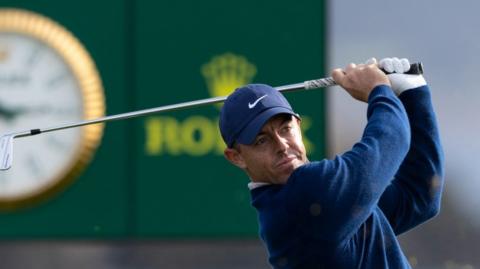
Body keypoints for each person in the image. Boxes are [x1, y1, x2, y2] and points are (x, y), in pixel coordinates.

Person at [218, 57, 444, 269]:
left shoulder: (328, 202)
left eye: (285, 129)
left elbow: (419, 198)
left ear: (298, 124)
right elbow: (392, 139)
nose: (282, 145)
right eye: (261, 140)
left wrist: (413, 93)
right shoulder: (305, 196)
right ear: (235, 156)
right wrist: (379, 90)